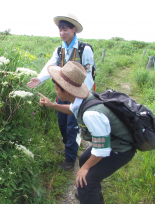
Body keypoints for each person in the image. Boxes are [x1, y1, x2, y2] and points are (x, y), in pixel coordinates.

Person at [38, 61, 136, 204]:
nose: (55, 91)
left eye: (56, 88)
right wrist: (52, 105)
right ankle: (92, 196)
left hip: (121, 149)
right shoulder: (82, 99)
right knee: (84, 159)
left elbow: (102, 149)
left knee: (86, 179)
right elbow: (73, 109)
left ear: (67, 90)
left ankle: (89, 193)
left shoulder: (91, 115)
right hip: (112, 142)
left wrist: (84, 169)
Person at [27, 14, 95, 170]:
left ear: (74, 29)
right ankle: (68, 148)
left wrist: (81, 98)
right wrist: (39, 79)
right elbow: (50, 64)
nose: (62, 33)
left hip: (77, 95)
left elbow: (89, 76)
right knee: (62, 123)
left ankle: (70, 160)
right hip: (62, 93)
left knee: (72, 126)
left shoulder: (85, 49)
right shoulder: (59, 50)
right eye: (60, 30)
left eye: (65, 29)